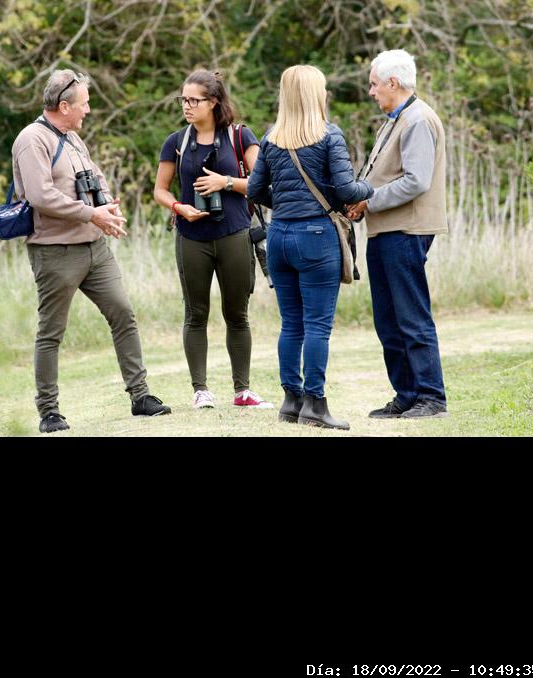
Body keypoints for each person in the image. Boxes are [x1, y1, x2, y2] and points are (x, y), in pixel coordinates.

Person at [12, 68, 171, 432]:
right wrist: (91, 214)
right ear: (64, 106)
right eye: (83, 104)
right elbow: (40, 195)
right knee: (52, 332)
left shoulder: (72, 137)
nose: (88, 110)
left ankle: (140, 396)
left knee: (123, 314)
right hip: (55, 251)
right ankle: (49, 412)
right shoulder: (31, 139)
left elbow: (94, 176)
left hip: (95, 248)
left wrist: (107, 208)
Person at [247, 65, 373, 429]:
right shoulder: (329, 136)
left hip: (279, 236)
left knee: (292, 324)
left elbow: (254, 191)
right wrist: (371, 187)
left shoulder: (271, 138)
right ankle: (315, 405)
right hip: (316, 237)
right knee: (317, 325)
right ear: (316, 94)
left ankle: (292, 400)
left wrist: (287, 204)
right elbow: (347, 190)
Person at [154, 69, 273, 410]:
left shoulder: (240, 136)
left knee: (237, 314)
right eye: (183, 99)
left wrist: (226, 182)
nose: (186, 106)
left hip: (234, 233)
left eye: (194, 100)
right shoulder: (176, 142)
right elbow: (160, 190)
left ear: (214, 102)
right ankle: (201, 390)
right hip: (191, 237)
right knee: (195, 314)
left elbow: (260, 185)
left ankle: (243, 391)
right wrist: (179, 207)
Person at [346, 49, 448, 419]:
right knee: (388, 320)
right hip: (385, 230)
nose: (371, 92)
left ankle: (431, 397)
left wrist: (368, 201)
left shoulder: (417, 120)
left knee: (411, 316)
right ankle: (407, 395)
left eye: (374, 84)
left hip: (405, 230)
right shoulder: (396, 120)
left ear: (393, 82)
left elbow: (416, 181)